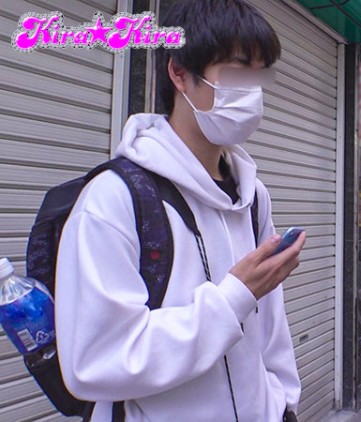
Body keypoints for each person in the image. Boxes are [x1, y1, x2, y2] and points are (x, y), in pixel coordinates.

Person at [55, 1, 304, 420]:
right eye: (237, 73)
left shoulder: (253, 196)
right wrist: (231, 300)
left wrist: (283, 404)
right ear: (179, 72)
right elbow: (94, 362)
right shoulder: (114, 198)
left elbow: (271, 330)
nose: (252, 93)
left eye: (260, 75)